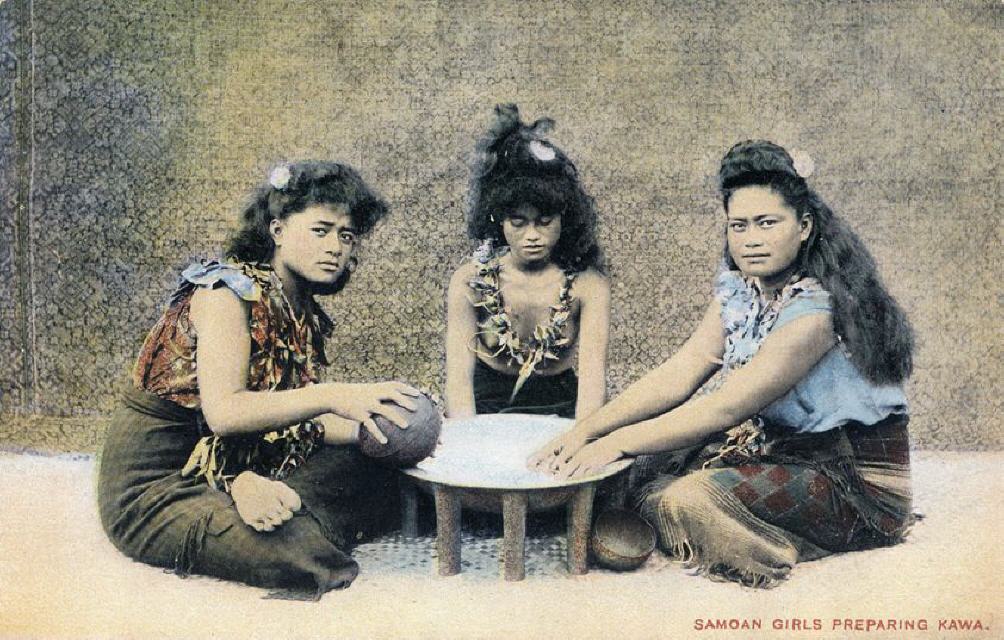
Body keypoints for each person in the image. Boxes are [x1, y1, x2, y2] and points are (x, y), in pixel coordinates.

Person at [531, 140, 916, 586]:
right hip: (784, 450)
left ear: (804, 225)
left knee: (683, 497)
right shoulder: (741, 291)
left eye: (767, 223)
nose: (751, 239)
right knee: (636, 470)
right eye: (739, 226)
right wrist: (589, 429)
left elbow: (725, 408)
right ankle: (716, 523)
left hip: (852, 481)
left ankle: (767, 548)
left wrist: (617, 442)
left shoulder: (816, 310)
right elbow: (681, 371)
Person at [98, 161, 421, 598]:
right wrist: (332, 395)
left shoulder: (296, 301)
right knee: (302, 553)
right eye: (321, 230)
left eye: (346, 236)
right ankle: (262, 504)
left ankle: (269, 497)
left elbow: (288, 421)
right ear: (277, 229)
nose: (336, 247)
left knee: (382, 466)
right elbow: (226, 415)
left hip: (239, 459)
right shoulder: (226, 293)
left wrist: (383, 422)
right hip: (164, 482)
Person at [445, 104, 610, 420]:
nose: (531, 235)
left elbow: (592, 386)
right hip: (485, 409)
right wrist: (468, 443)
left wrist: (580, 442)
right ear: (499, 221)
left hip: (557, 409)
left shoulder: (589, 286)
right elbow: (458, 384)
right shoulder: (469, 280)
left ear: (565, 219)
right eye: (518, 222)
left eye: (544, 221)